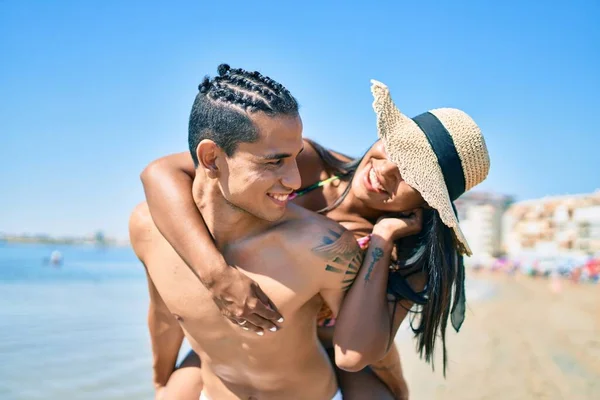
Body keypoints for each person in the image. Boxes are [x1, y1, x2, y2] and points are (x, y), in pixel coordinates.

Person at [141, 71, 491, 399]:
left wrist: (382, 241)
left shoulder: (410, 252)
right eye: (394, 150)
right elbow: (163, 172)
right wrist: (217, 275)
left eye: (413, 176)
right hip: (242, 331)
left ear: (429, 201)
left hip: (326, 350)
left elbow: (360, 353)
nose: (385, 172)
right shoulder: (305, 163)